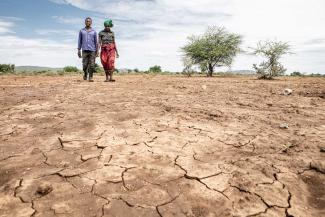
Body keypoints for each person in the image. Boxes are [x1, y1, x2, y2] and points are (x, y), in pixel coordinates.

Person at [78, 17, 98, 82]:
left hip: (92, 50)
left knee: (92, 65)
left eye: (89, 21)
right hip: (84, 50)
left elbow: (96, 42)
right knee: (84, 65)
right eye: (87, 21)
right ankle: (85, 73)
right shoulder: (81, 31)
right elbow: (79, 41)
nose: (88, 22)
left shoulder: (94, 31)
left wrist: (97, 51)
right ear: (85, 22)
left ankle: (91, 77)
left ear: (91, 22)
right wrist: (79, 50)